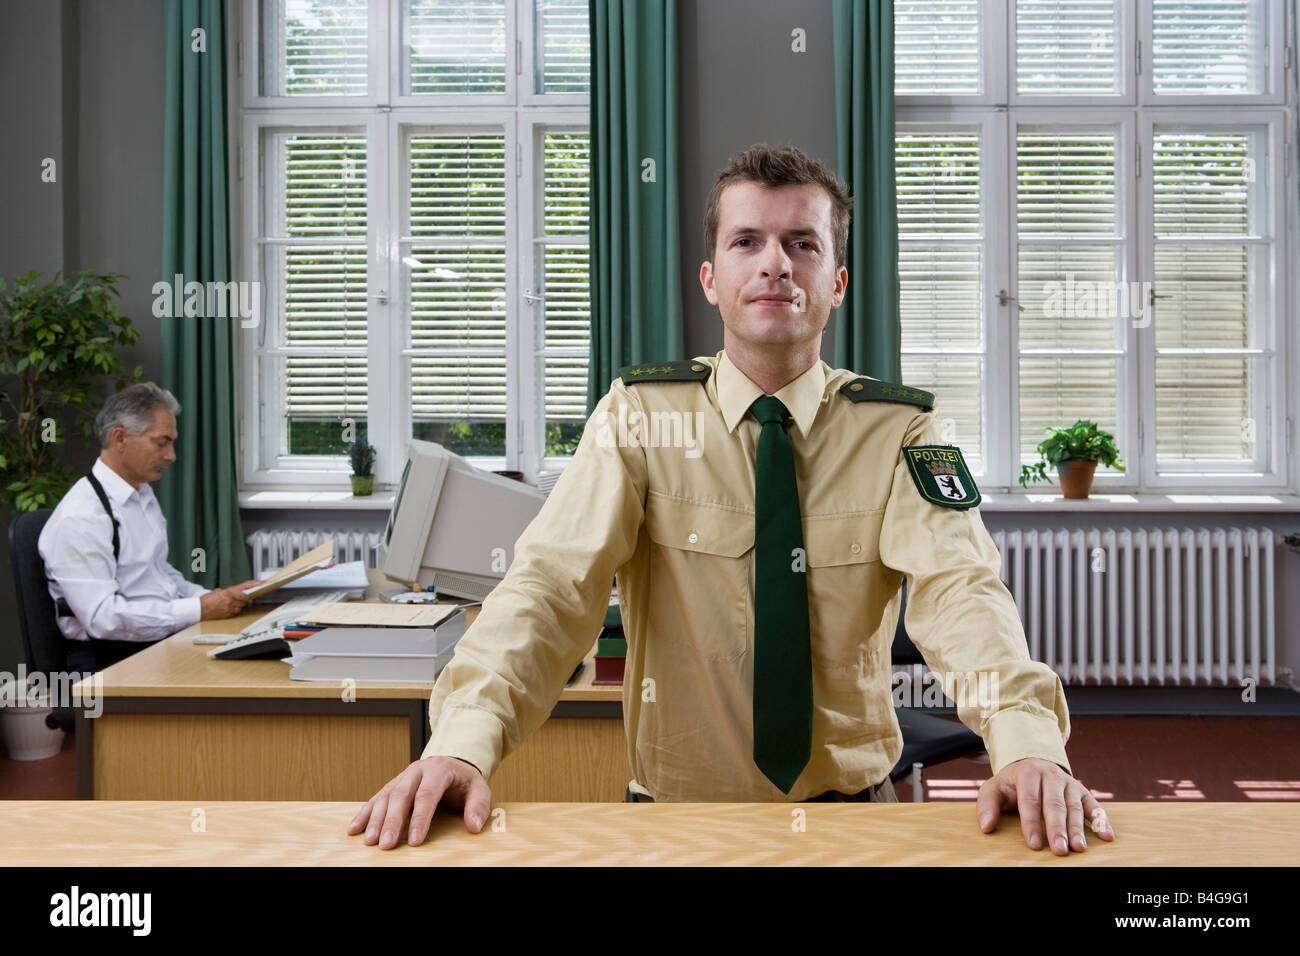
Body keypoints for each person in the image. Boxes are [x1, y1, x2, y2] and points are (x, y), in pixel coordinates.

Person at [349, 143, 1116, 856]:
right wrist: (462, 741)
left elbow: (963, 592)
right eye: (746, 242)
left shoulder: (904, 429)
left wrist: (1026, 744)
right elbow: (549, 589)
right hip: (677, 824)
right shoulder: (639, 418)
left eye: (803, 244)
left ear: (837, 283)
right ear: (711, 278)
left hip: (853, 819)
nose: (775, 265)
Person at [38, 383, 262, 674]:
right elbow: (102, 618)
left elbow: (159, 575)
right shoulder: (81, 518)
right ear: (120, 438)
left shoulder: (141, 495)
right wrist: (200, 609)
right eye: (161, 442)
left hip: (152, 643)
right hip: (107, 662)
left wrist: (217, 598)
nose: (172, 455)